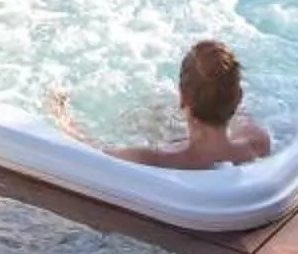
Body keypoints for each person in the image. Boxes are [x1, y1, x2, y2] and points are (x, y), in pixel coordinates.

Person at [46, 38, 272, 169]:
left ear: (182, 98)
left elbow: (91, 149)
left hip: (182, 137)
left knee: (150, 117)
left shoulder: (155, 158)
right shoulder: (256, 141)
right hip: (209, 122)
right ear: (238, 98)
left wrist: (60, 113)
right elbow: (239, 115)